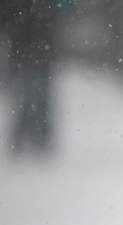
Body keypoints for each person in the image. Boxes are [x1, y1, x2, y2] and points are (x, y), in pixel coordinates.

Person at [1, 0, 63, 156]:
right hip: (26, 52)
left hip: (34, 52)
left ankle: (35, 140)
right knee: (28, 97)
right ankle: (29, 140)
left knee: (34, 97)